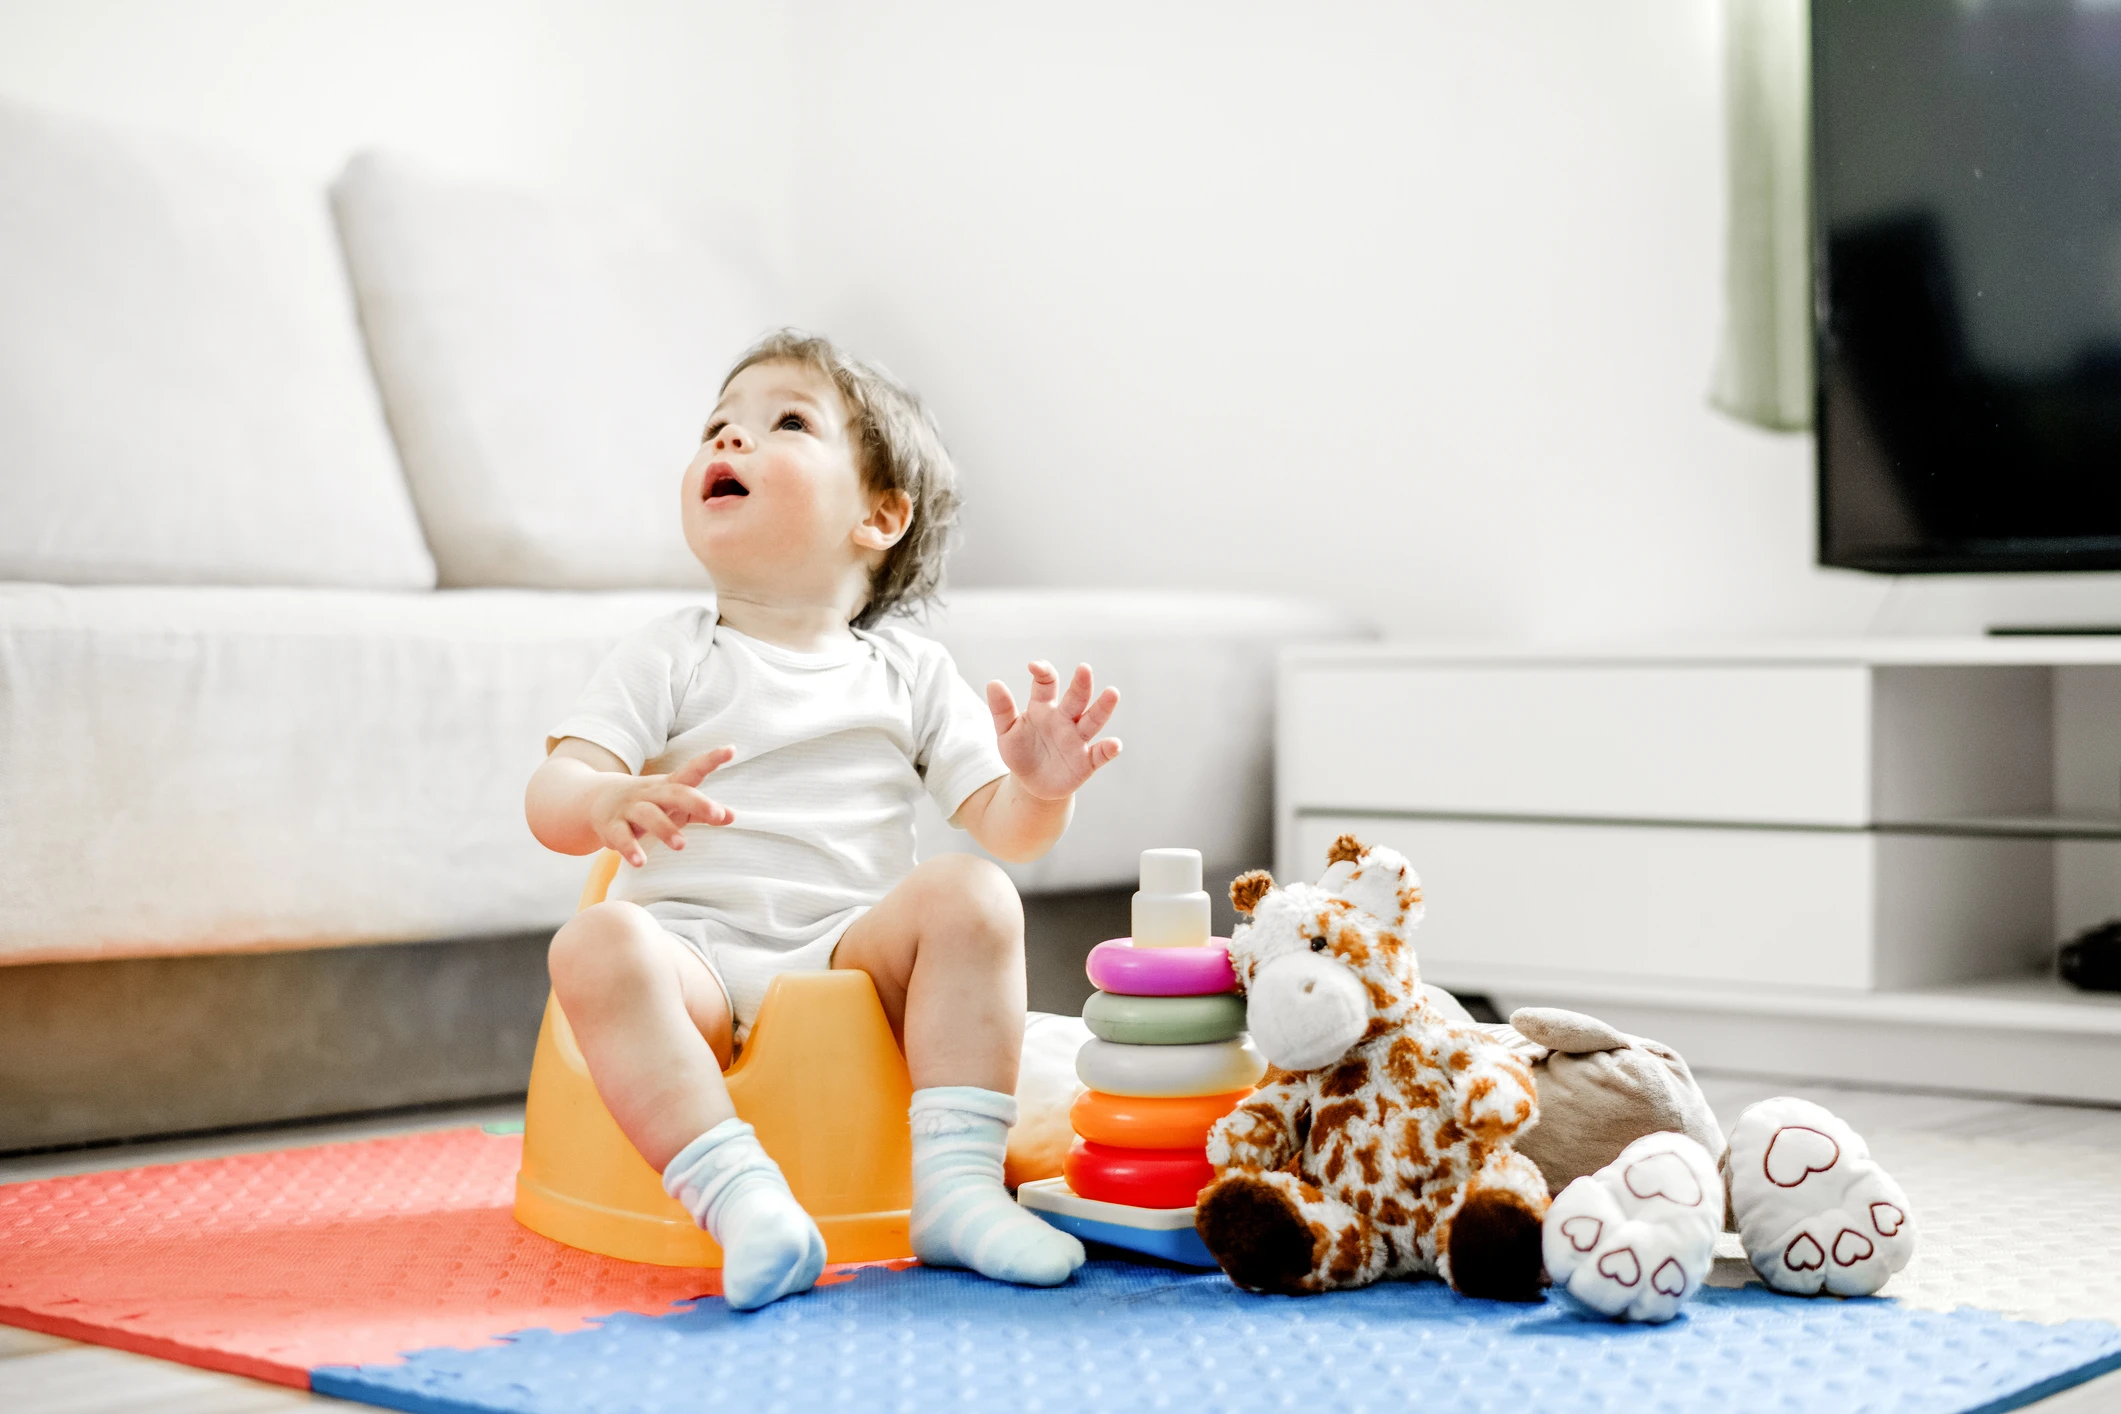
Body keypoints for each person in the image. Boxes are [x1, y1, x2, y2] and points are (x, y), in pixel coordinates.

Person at [525, 330, 1118, 1309]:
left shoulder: (911, 672)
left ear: (880, 515)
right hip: (694, 963)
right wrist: (601, 798)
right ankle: (740, 1197)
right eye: (719, 425)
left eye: (785, 422)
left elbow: (1005, 832)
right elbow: (552, 797)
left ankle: (957, 1192)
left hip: (852, 959)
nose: (733, 440)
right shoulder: (666, 654)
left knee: (976, 893)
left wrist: (1040, 786)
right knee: (592, 945)